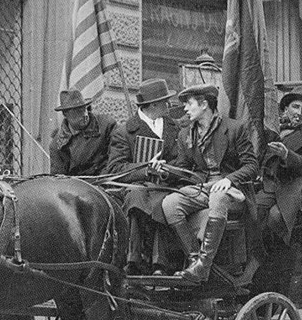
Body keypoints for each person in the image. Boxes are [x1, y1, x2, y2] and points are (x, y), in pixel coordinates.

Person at [157, 84, 258, 283]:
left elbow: (252, 166)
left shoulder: (234, 128)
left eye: (189, 103)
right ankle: (195, 259)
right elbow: (183, 167)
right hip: (202, 188)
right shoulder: (185, 134)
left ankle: (205, 263)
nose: (185, 108)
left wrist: (229, 180)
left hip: (233, 191)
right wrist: (164, 169)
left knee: (218, 196)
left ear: (204, 104)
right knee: (170, 203)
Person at [106, 78, 180, 274]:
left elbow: (181, 161)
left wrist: (166, 171)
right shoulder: (124, 132)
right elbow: (114, 168)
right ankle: (133, 260)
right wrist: (146, 169)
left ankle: (160, 264)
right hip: (135, 187)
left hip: (166, 185)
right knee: (136, 199)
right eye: (165, 101)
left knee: (164, 202)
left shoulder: (175, 128)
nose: (169, 105)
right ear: (153, 104)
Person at [256, 87, 302, 245]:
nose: (299, 113)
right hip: (265, 185)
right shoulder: (271, 128)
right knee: (251, 212)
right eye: (295, 107)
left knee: (276, 218)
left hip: (289, 188)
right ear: (286, 108)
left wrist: (287, 154)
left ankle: (268, 258)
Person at [49, 89, 116, 176]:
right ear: (65, 114)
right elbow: (59, 181)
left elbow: (117, 159)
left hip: (108, 182)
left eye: (84, 109)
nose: (84, 115)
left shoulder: (107, 125)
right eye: (77, 112)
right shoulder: (57, 145)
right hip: (79, 187)